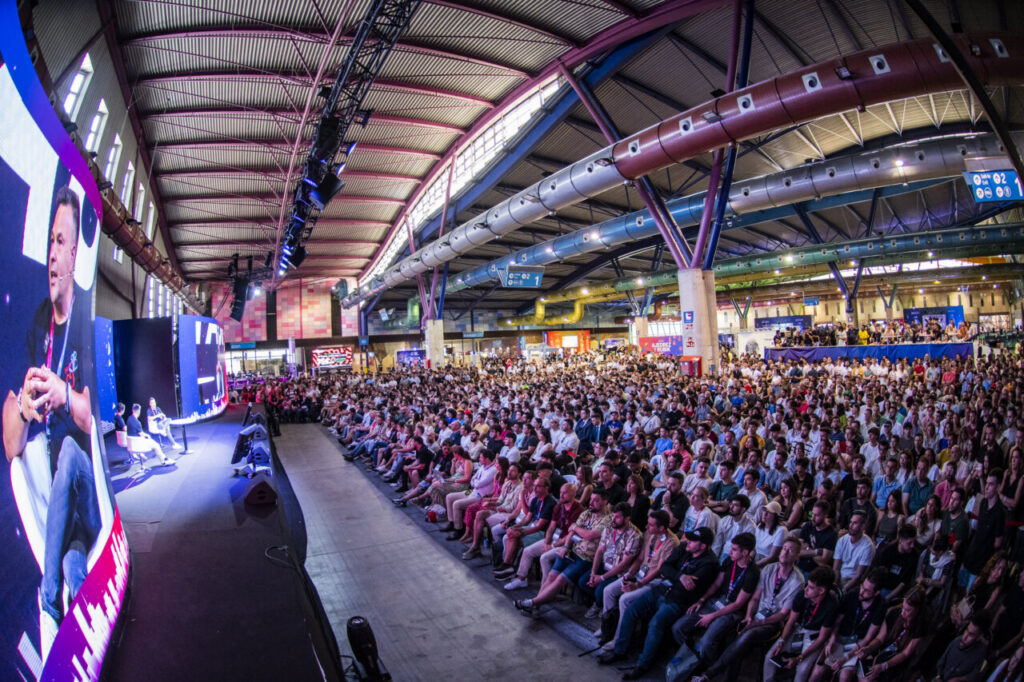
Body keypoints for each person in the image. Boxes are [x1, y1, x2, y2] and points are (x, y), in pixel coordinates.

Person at [2, 187, 101, 638]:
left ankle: (46, 597)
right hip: (66, 520)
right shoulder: (39, 322)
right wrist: (23, 409)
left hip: (87, 488)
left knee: (67, 457)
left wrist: (63, 391)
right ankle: (71, 623)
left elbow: (89, 416)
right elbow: (9, 445)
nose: (52, 256)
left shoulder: (84, 319)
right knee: (73, 566)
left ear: (76, 255)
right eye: (50, 244)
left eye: (62, 243)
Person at [597, 526, 719, 680]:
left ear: (703, 546)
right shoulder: (684, 547)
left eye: (694, 541)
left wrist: (674, 575)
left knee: (655, 624)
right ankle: (619, 651)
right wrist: (681, 576)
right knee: (632, 609)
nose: (688, 541)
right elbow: (665, 568)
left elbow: (689, 587)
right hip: (662, 590)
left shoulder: (710, 563)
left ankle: (642, 665)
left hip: (679, 601)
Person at [692, 537, 806, 682]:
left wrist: (757, 622)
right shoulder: (769, 569)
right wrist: (749, 616)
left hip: (773, 621)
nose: (785, 552)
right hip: (756, 614)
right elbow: (755, 598)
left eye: (790, 550)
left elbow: (783, 613)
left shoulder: (797, 581)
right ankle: (718, 676)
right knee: (739, 633)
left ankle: (709, 674)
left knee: (747, 636)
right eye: (784, 548)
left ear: (796, 556)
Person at [666, 532, 759, 681]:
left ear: (745, 552)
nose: (730, 552)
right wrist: (701, 600)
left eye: (734, 549)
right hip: (715, 602)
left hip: (731, 611)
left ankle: (707, 667)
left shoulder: (752, 573)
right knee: (678, 627)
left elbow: (738, 604)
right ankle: (689, 658)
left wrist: (712, 616)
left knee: (708, 641)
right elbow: (716, 584)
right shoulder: (729, 561)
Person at [763, 566, 840, 682]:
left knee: (802, 669)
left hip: (814, 635)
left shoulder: (831, 606)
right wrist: (781, 641)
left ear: (821, 590)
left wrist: (799, 658)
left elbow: (821, 638)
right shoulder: (802, 595)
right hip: (797, 629)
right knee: (770, 657)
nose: (806, 589)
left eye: (811, 587)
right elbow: (790, 622)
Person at [810, 569, 886, 682]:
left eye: (866, 591)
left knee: (845, 676)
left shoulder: (881, 605)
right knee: (817, 672)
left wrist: (845, 658)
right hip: (840, 637)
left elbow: (868, 637)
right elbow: (837, 623)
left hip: (858, 643)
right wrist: (832, 639)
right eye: (862, 587)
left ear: (876, 593)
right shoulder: (852, 595)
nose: (861, 591)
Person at [934, 612, 990, 682]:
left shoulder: (981, 653)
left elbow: (975, 675)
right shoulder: (956, 641)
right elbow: (941, 662)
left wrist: (958, 679)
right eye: (966, 630)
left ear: (979, 637)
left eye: (971, 635)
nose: (965, 636)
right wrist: (938, 676)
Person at [834, 510, 876, 592]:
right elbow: (836, 568)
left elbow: (858, 576)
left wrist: (843, 590)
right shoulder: (842, 540)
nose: (851, 525)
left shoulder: (868, 546)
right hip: (839, 578)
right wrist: (835, 586)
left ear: (862, 526)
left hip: (853, 582)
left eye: (855, 523)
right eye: (851, 522)